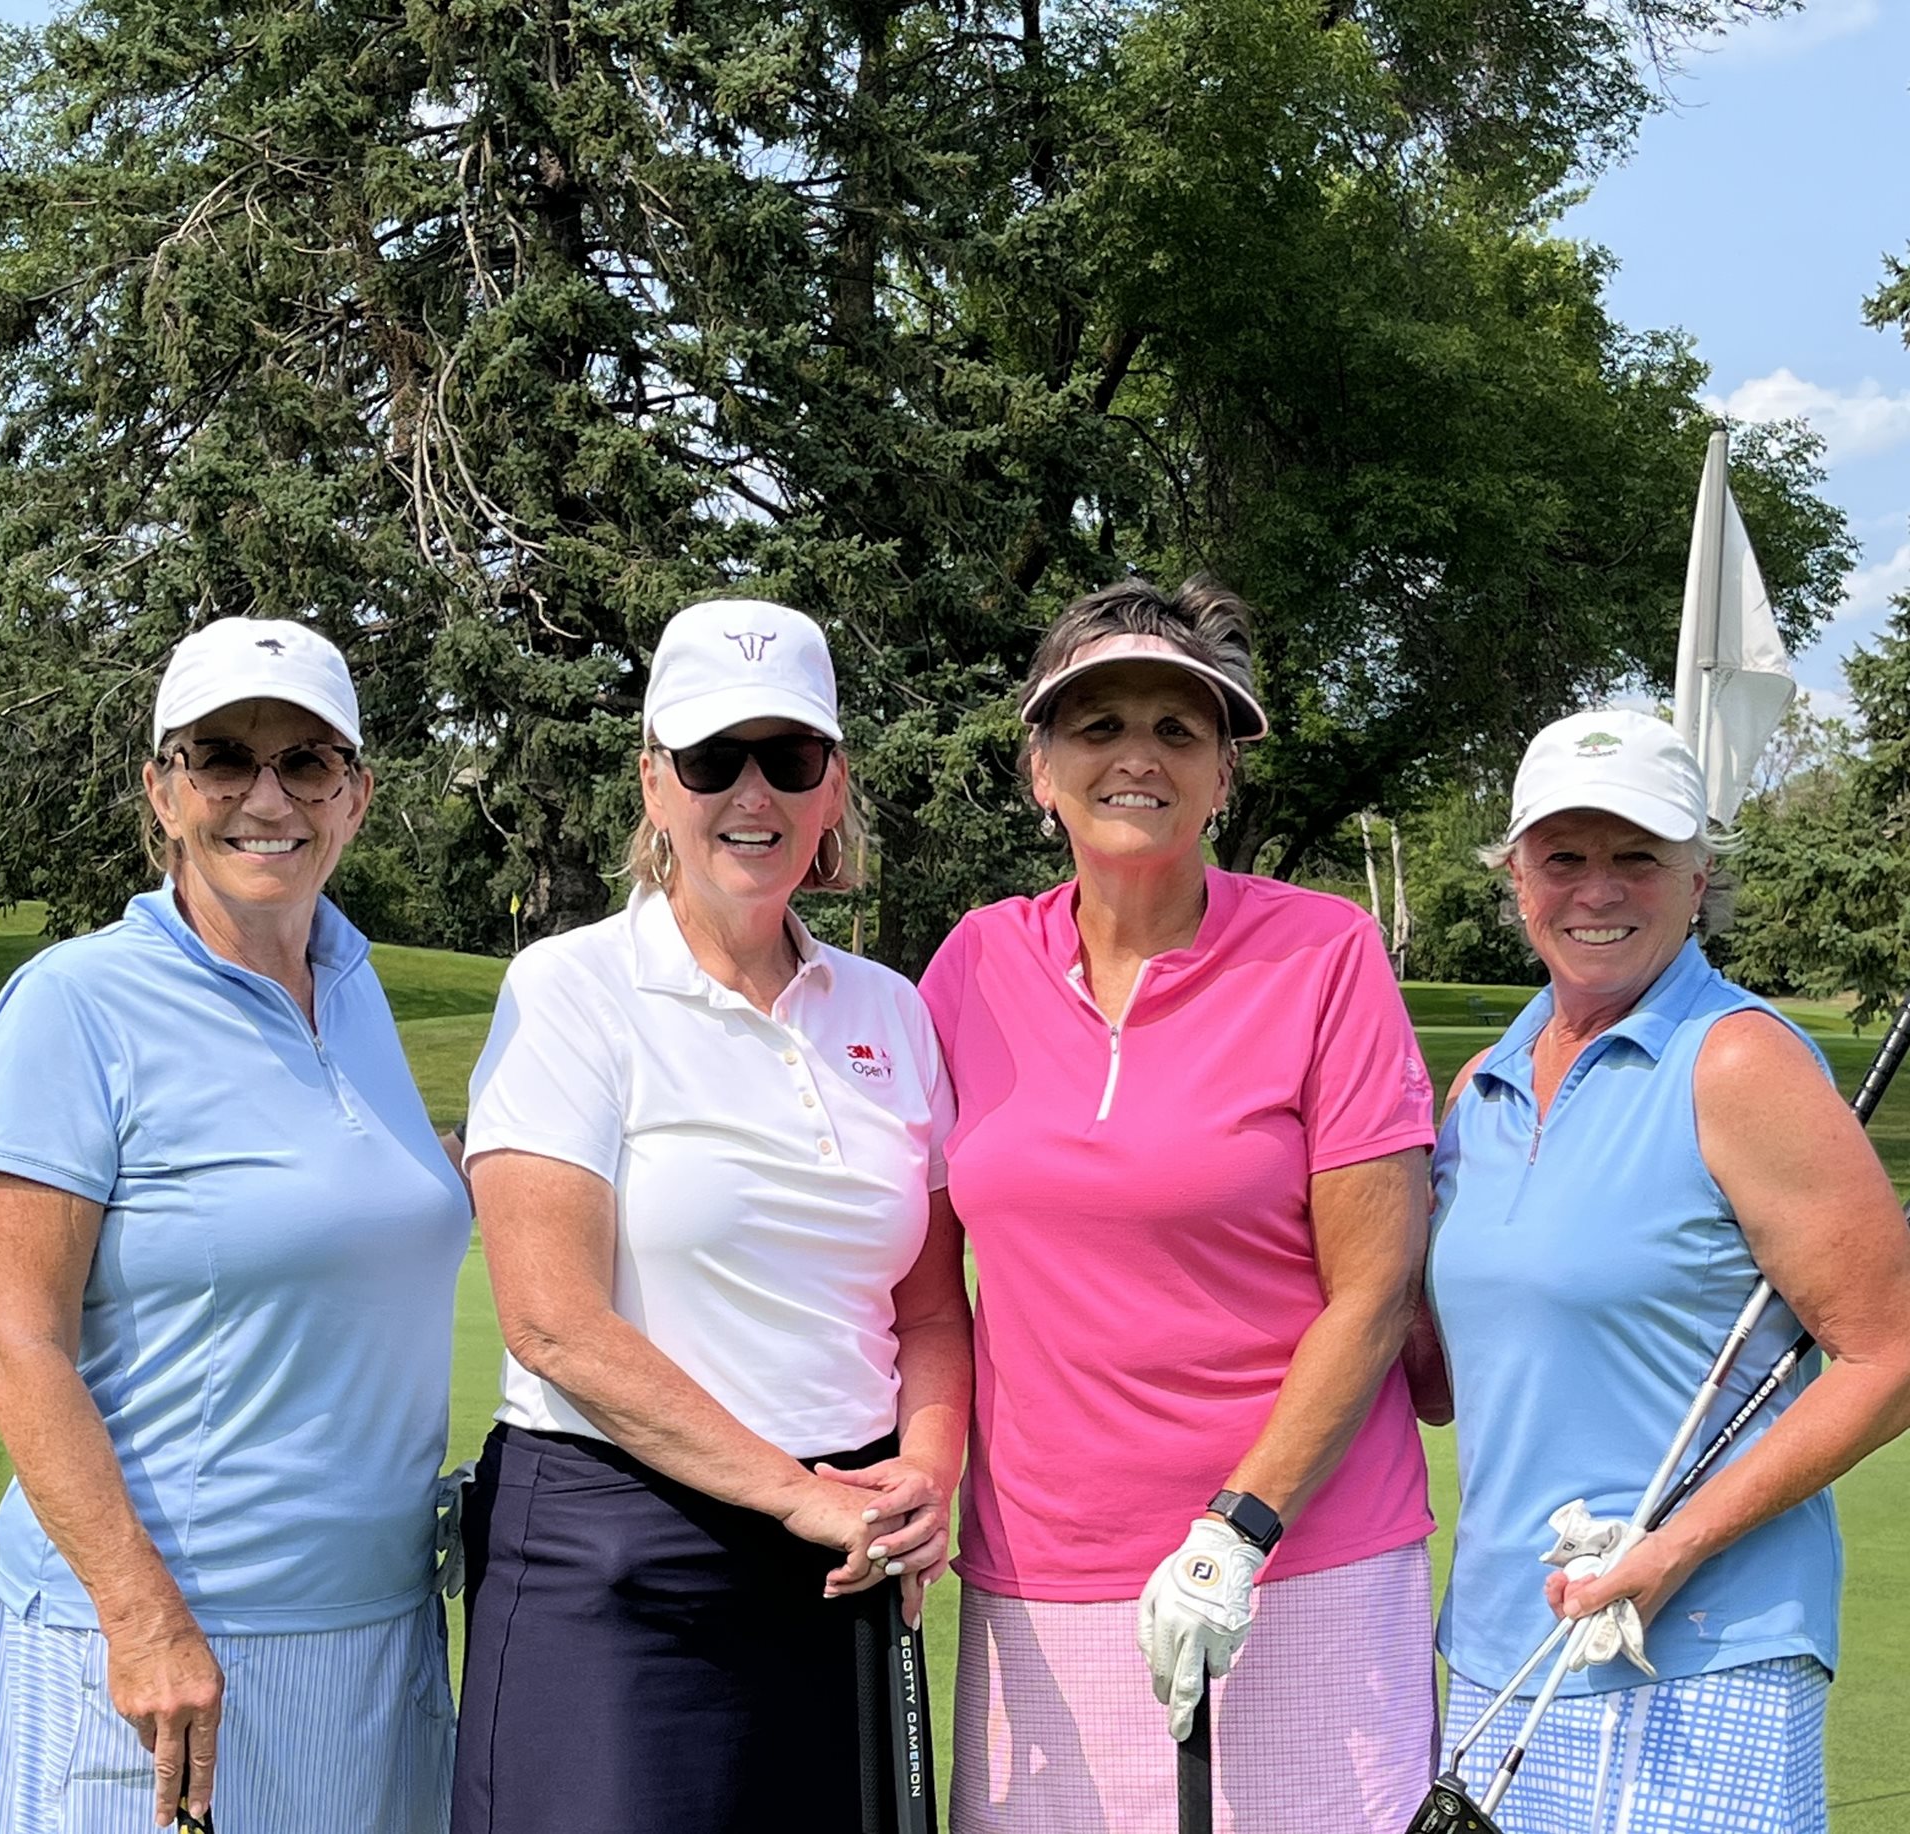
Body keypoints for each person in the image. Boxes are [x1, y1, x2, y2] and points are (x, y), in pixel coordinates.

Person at [919, 576, 1440, 1834]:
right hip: (1042, 1573)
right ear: (1040, 770)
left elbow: (1373, 1290)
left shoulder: (1323, 953)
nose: (1136, 757)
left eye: (1176, 728)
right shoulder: (973, 963)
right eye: (1097, 726)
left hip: (1298, 1560)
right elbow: (920, 1283)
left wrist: (1236, 1529)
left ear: (1222, 775)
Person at [452, 597, 970, 1834]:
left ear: (832, 784)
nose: (752, 793)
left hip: (845, 1555)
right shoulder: (570, 987)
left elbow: (927, 1307)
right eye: (711, 759)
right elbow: (552, 1322)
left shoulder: (890, 1009)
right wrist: (793, 1493)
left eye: (787, 758)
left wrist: (927, 1468)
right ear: (653, 781)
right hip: (620, 1557)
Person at [0, 618, 471, 1834]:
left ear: (354, 796)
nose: (266, 797)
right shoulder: (75, 1003)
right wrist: (139, 1617)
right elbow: (17, 1345)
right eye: (224, 758)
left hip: (378, 1634)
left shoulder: (354, 989)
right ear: (164, 789)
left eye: (306, 761)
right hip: (162, 1654)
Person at [1419, 708, 1910, 1833]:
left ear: (1697, 878)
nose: (1596, 890)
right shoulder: (1481, 1085)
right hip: (1501, 1645)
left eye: (1637, 856)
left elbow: (1887, 1355)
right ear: (1515, 877)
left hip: (1696, 1648)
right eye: (1563, 857)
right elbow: (1441, 1382)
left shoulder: (1737, 1060)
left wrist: (1674, 1544)